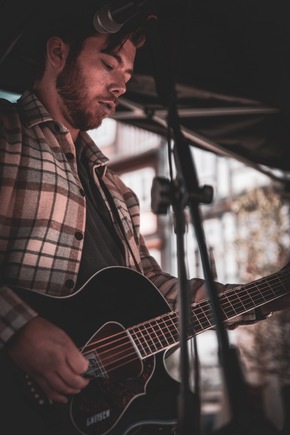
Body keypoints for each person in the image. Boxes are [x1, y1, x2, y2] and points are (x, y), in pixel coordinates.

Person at [0, 4, 289, 435]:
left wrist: (266, 295)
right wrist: (19, 329)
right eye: (107, 64)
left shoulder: (117, 190)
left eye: (128, 76)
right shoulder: (8, 136)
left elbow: (157, 292)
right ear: (57, 53)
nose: (120, 84)